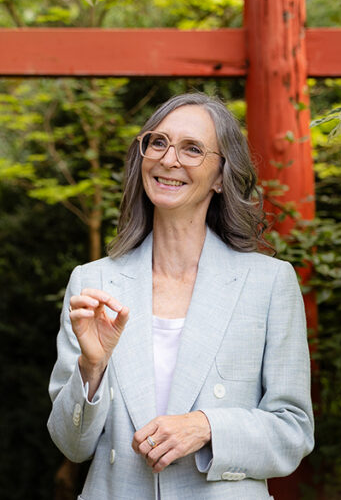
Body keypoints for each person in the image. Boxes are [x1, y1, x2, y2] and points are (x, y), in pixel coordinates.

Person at [48, 92, 314, 499]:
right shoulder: (93, 282)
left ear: (222, 176)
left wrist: (207, 426)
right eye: (158, 142)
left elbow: (293, 430)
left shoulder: (269, 283)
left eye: (192, 149)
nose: (169, 159)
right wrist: (91, 367)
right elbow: (72, 444)